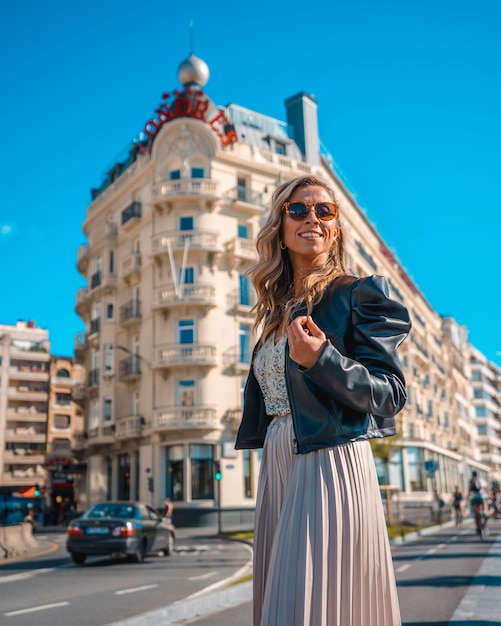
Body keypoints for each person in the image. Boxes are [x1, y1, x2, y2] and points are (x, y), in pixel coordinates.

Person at [235, 175, 411, 626]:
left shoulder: (359, 293)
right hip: (277, 462)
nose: (311, 217)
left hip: (329, 460)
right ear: (281, 224)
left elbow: (390, 393)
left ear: (335, 229)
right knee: (286, 601)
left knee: (312, 605)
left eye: (324, 211)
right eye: (298, 209)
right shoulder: (275, 310)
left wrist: (322, 360)